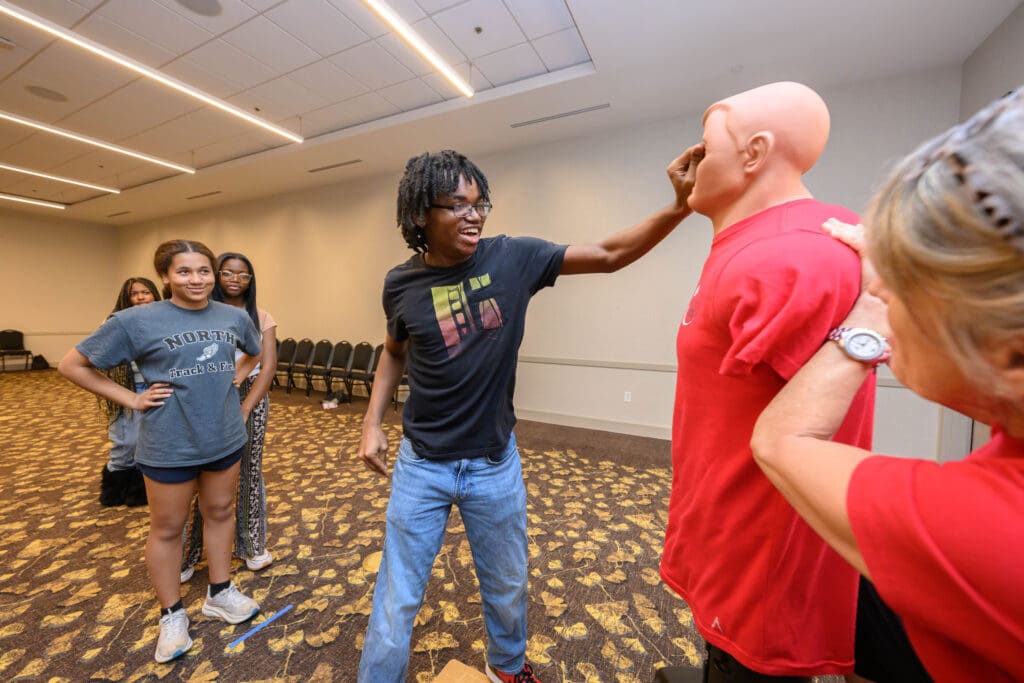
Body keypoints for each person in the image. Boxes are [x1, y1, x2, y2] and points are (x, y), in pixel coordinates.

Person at [356, 147, 700, 683]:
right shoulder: (400, 284)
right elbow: (393, 350)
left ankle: (507, 669)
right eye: (457, 205)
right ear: (421, 214)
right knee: (396, 598)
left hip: (494, 463)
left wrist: (678, 208)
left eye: (480, 203)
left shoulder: (513, 258)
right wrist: (372, 422)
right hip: (420, 464)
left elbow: (610, 254)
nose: (475, 215)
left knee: (507, 584)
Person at [751, 88, 1024, 683]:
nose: (877, 290)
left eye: (904, 281)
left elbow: (778, 439)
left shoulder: (991, 535)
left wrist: (865, 323)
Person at [660, 82, 877, 681]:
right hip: (723, 522)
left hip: (760, 556)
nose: (689, 165)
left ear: (754, 154)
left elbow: (815, 440)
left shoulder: (793, 256)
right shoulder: (755, 243)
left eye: (706, 148)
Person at [58, 239, 263, 664]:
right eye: (184, 271)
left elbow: (253, 355)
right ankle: (171, 614)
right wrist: (131, 399)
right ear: (166, 276)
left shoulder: (233, 316)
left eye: (204, 271)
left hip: (224, 436)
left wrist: (232, 383)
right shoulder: (136, 320)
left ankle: (220, 592)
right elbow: (72, 365)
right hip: (169, 441)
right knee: (167, 528)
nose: (197, 279)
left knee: (221, 512)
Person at [181, 252, 278, 581]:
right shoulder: (198, 314)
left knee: (250, 470)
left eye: (244, 275)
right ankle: (187, 555)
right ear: (216, 276)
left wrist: (247, 405)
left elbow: (267, 366)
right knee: (201, 477)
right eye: (228, 273)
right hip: (207, 396)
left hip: (249, 396)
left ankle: (251, 545)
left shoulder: (261, 316)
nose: (236, 279)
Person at [97, 277, 161, 507]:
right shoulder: (115, 323)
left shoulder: (165, 319)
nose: (141, 297)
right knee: (125, 442)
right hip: (128, 390)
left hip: (157, 389)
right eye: (135, 293)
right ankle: (115, 486)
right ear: (127, 298)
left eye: (146, 292)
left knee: (152, 442)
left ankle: (141, 489)